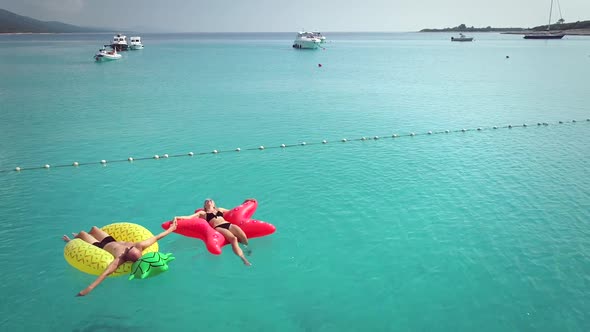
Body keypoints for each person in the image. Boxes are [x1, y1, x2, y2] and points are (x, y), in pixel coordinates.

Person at [62, 219, 177, 296]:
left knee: (82, 234)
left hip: (100, 247)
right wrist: (171, 229)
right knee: (94, 229)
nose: (128, 247)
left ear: (127, 256)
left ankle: (72, 240)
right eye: (130, 247)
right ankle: (80, 237)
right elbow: (157, 237)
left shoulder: (121, 259)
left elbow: (106, 273)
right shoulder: (139, 246)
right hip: (110, 240)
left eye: (128, 250)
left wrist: (89, 288)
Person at [174, 198, 253, 266]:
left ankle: (246, 248)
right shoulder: (203, 213)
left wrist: (245, 203)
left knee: (243, 235)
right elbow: (189, 217)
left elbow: (235, 212)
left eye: (210, 200)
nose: (209, 201)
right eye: (206, 201)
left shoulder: (220, 209)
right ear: (204, 206)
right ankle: (244, 259)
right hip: (218, 227)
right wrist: (178, 217)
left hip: (228, 224)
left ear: (214, 203)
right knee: (234, 239)